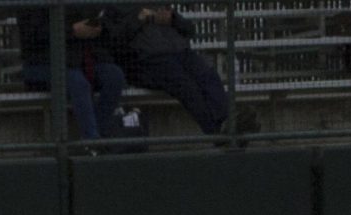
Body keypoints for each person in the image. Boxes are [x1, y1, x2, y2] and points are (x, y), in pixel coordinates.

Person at [101, 4, 259, 136]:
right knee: (186, 86)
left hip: (181, 54)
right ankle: (219, 132)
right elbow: (115, 41)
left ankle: (228, 122)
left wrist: (172, 19)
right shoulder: (116, 7)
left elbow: (189, 30)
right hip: (147, 61)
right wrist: (139, 20)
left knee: (208, 74)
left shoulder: (158, 4)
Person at [16, 6, 125, 143]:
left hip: (78, 60)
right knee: (77, 81)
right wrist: (72, 31)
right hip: (41, 63)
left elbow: (111, 23)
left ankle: (100, 135)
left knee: (114, 76)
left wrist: (97, 28)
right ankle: (91, 141)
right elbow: (33, 35)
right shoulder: (32, 7)